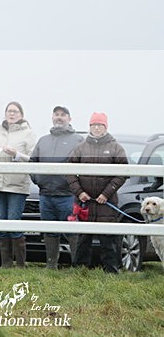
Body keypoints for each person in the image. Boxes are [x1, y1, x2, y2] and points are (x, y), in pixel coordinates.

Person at [67, 112, 128, 273]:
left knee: (108, 240)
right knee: (83, 239)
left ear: (105, 127)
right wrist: (80, 193)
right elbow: (69, 172)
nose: (96, 128)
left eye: (100, 125)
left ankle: (111, 272)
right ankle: (80, 272)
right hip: (85, 203)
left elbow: (123, 173)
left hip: (106, 204)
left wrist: (106, 194)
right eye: (93, 125)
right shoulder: (80, 148)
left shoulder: (116, 148)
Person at [30, 105, 84, 269]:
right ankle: (51, 265)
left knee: (72, 232)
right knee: (49, 231)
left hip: (68, 196)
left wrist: (74, 186)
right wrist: (38, 179)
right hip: (46, 195)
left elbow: (83, 165)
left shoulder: (78, 140)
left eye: (63, 115)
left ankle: (77, 266)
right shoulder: (43, 140)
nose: (59, 117)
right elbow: (32, 162)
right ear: (52, 117)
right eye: (56, 114)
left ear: (69, 119)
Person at [0, 101, 36, 268]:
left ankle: (20, 264)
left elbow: (33, 158)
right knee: (1, 223)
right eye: (9, 111)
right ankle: (6, 264)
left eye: (15, 111)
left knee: (14, 222)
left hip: (17, 185)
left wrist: (16, 154)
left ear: (21, 114)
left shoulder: (28, 134)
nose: (11, 114)